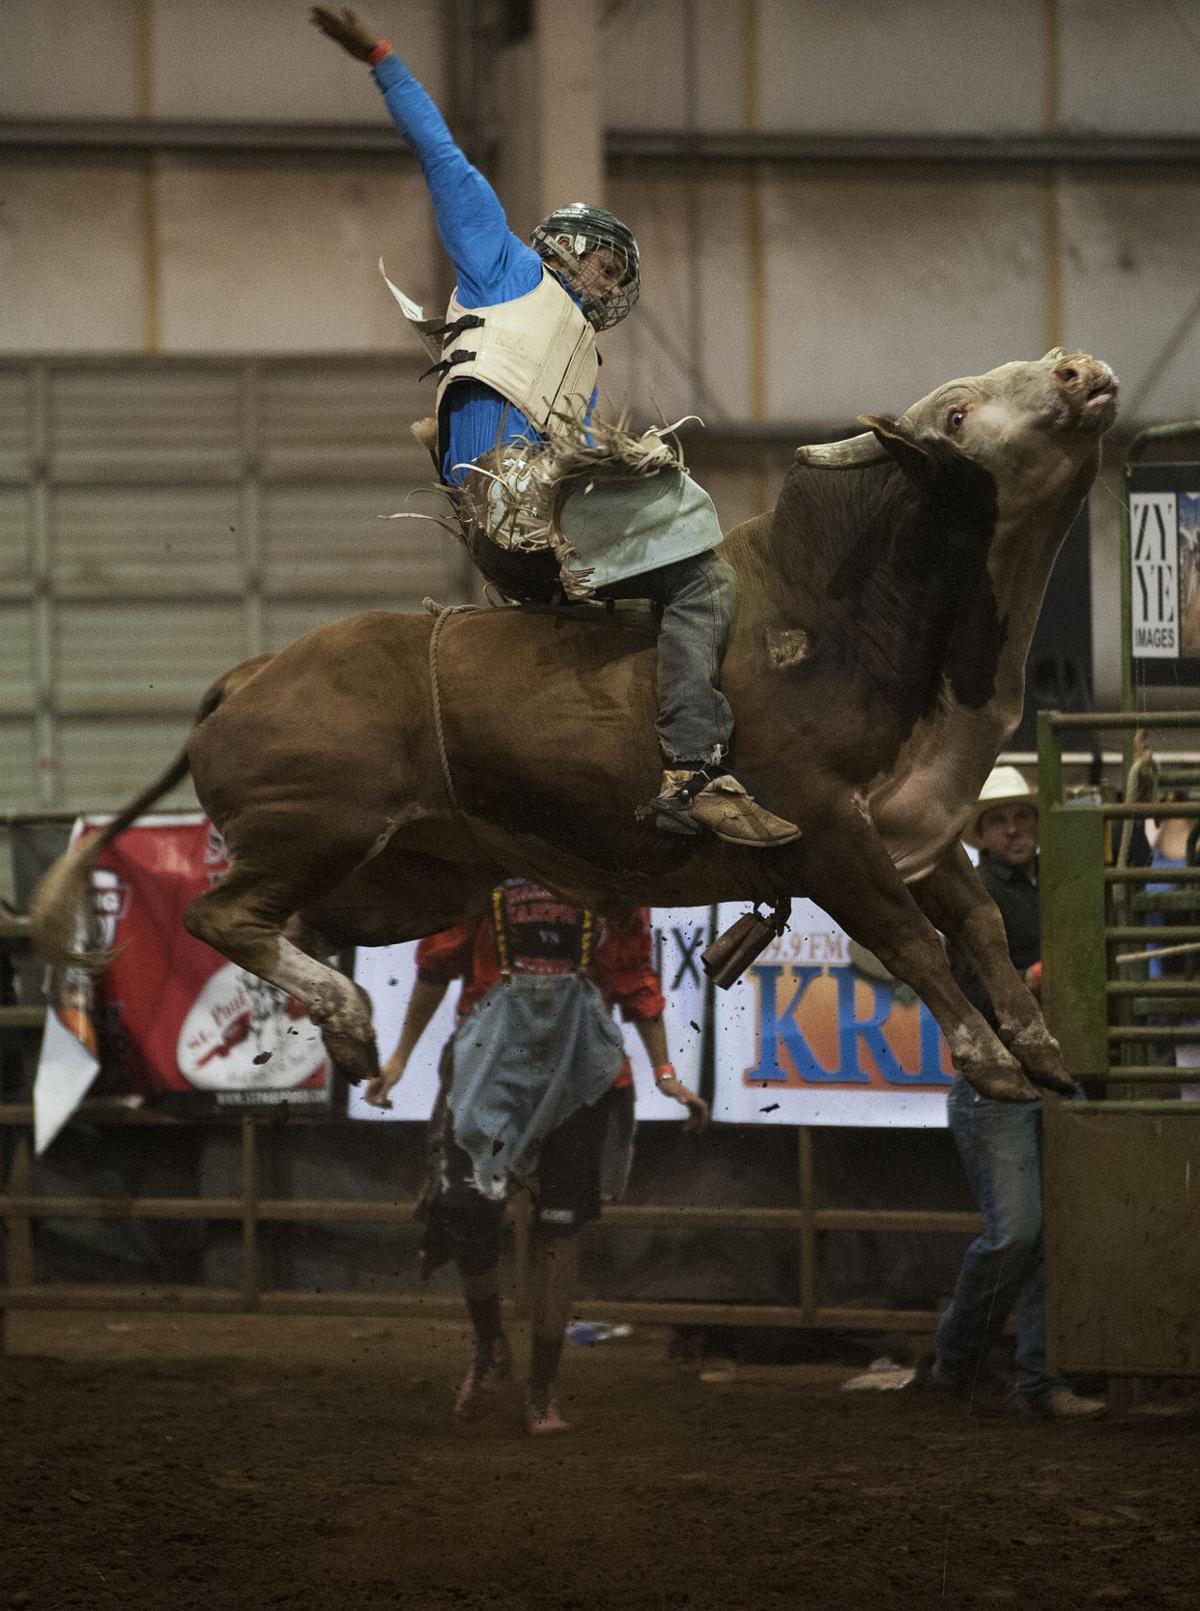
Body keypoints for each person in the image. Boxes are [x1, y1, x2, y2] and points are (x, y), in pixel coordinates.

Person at [309, 5, 798, 850]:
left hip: (526, 522)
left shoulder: (580, 358)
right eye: (605, 265)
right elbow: (443, 153)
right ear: (564, 246)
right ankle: (692, 767)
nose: (609, 285)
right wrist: (383, 57)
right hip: (522, 507)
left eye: (617, 277)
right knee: (703, 574)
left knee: (658, 590)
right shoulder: (502, 266)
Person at [364, 877, 708, 1435]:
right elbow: (437, 962)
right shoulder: (484, 867)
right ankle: (490, 1345)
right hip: (490, 1065)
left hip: (580, 1074)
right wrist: (399, 1058)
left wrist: (666, 1074)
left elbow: (635, 980)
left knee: (559, 1227)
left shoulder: (611, 877)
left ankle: (542, 1389)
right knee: (466, 1208)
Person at [931, 765, 1106, 1421]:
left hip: (1048, 1078)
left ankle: (1036, 1378)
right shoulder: (969, 893)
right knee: (1018, 1234)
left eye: (1022, 817)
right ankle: (960, 1356)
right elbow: (966, 991)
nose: (1013, 829)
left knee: (1045, 1235)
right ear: (980, 833)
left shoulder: (1050, 885)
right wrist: (1030, 980)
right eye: (1000, 820)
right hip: (998, 1083)